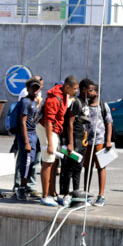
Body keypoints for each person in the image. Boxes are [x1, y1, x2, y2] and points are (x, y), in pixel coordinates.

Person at [38, 76, 78, 207]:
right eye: (75, 89)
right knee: (48, 162)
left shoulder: (65, 95)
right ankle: (45, 196)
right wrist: (49, 143)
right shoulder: (54, 98)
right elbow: (48, 121)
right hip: (47, 130)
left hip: (55, 130)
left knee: (54, 163)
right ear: (67, 87)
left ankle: (52, 193)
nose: (76, 91)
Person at [61, 79, 95, 206]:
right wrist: (70, 143)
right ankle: (66, 194)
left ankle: (76, 195)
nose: (93, 92)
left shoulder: (86, 102)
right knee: (69, 168)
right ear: (83, 90)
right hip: (74, 139)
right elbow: (69, 123)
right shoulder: (76, 103)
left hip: (82, 140)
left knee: (78, 168)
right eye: (90, 90)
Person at [83, 82, 113, 207]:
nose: (87, 92)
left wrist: (108, 140)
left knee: (101, 167)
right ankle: (86, 194)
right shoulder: (85, 106)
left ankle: (101, 196)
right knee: (87, 168)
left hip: (100, 141)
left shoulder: (103, 106)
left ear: (96, 92)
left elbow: (109, 123)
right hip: (87, 142)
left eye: (90, 90)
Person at [11, 79, 41, 201]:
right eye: (33, 88)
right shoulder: (26, 102)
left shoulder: (35, 101)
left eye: (37, 88)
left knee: (32, 162)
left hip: (34, 134)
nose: (35, 90)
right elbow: (23, 122)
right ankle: (21, 188)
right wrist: (27, 142)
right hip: (27, 135)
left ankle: (24, 187)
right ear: (28, 89)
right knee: (27, 163)